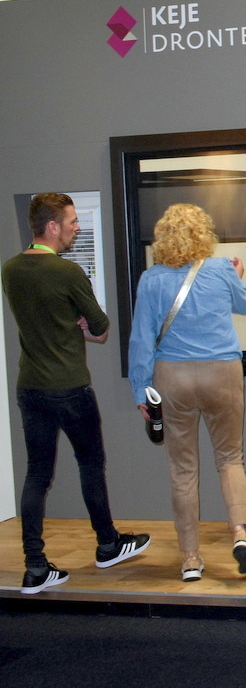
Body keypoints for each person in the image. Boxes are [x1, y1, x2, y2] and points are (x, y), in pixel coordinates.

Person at [2, 193, 150, 594]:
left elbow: (42, 318)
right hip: (69, 387)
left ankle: (35, 567)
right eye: (71, 222)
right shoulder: (67, 272)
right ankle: (108, 544)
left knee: (37, 473)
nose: (76, 228)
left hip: (30, 387)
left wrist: (71, 322)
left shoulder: (10, 270)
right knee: (90, 464)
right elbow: (100, 328)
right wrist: (82, 325)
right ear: (52, 227)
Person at [128, 204, 246, 582]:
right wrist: (239, 276)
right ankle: (239, 533)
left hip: (173, 376)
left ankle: (189, 558)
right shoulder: (220, 269)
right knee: (230, 458)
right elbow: (245, 303)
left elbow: (141, 339)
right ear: (204, 234)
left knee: (183, 469)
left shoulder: (151, 279)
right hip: (222, 372)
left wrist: (141, 389)